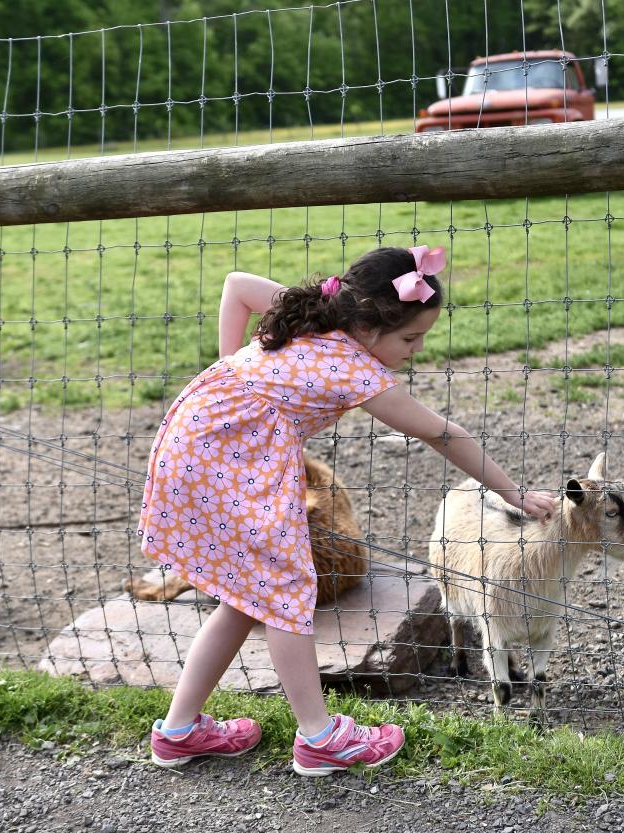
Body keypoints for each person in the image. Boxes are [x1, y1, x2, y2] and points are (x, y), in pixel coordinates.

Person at [138, 245, 555, 776]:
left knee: (248, 598)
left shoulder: (320, 309)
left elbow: (236, 285)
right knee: (288, 592)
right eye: (410, 338)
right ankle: (319, 739)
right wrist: (515, 493)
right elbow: (443, 433)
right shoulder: (355, 370)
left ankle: (178, 730)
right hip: (229, 460)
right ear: (371, 324)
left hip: (201, 442)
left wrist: (228, 370)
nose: (418, 348)